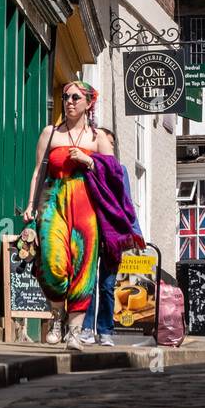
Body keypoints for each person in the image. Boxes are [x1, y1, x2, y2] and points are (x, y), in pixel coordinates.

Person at [23, 81, 113, 350]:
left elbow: (114, 175)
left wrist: (89, 161)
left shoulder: (98, 138)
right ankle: (56, 318)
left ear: (89, 102)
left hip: (87, 205)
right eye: (65, 97)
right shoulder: (50, 134)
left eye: (76, 97)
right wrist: (30, 204)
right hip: (54, 202)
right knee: (51, 260)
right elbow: (38, 171)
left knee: (84, 267)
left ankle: (74, 332)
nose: (70, 101)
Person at [80, 128, 144, 347]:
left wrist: (135, 233)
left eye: (112, 144)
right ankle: (86, 329)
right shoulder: (87, 166)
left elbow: (126, 201)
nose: (109, 147)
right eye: (106, 142)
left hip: (113, 234)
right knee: (89, 283)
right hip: (90, 230)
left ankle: (105, 330)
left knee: (107, 285)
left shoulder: (120, 171)